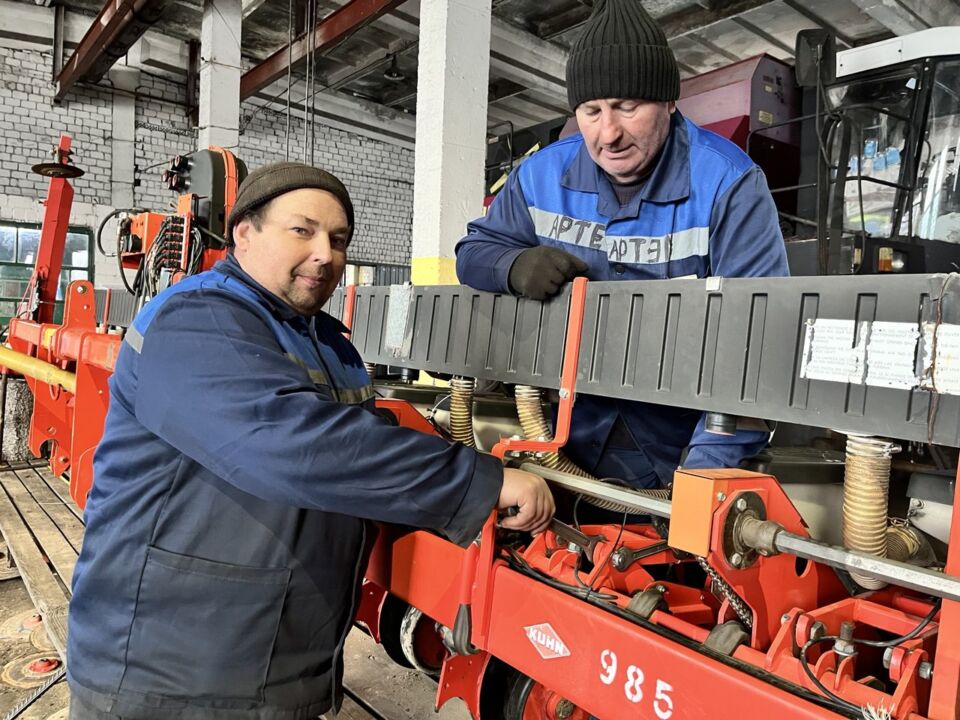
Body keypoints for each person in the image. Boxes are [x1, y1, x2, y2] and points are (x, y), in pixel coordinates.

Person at [67, 162, 555, 719]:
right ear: (244, 233)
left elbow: (357, 440)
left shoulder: (328, 342)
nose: (326, 253)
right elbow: (291, 445)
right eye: (302, 230)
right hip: (174, 678)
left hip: (275, 664)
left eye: (338, 239)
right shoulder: (198, 320)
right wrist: (475, 482)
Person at [456, 0, 789, 490]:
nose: (607, 133)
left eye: (627, 108)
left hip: (682, 443)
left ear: (670, 101)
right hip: (563, 434)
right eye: (591, 111)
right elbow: (472, 254)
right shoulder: (541, 175)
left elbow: (758, 340)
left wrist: (702, 482)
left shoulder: (728, 183)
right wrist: (514, 264)